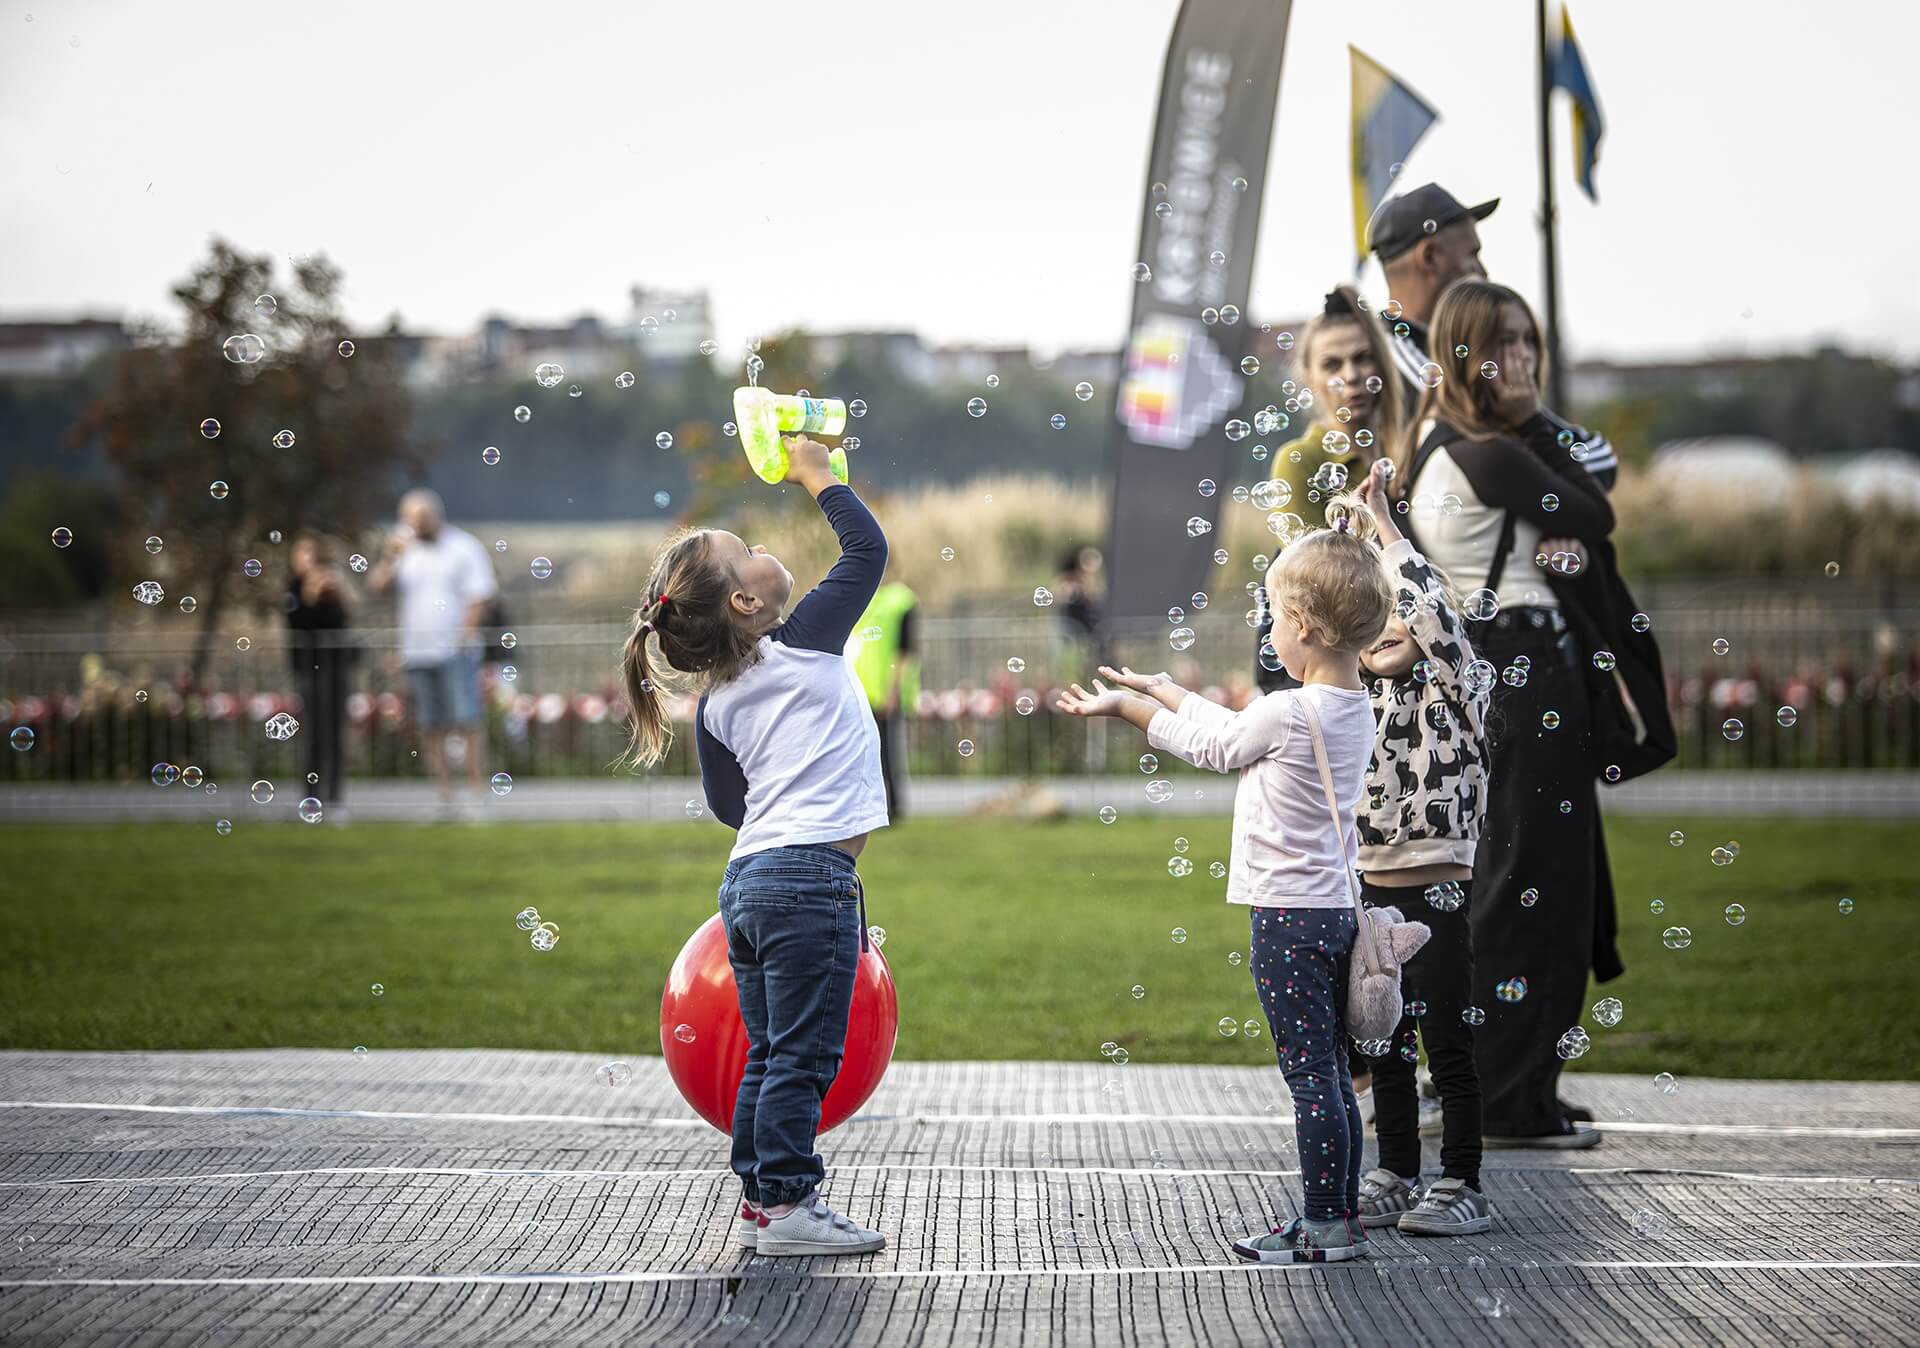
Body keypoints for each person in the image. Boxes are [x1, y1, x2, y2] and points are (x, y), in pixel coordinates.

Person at [1056, 527, 1394, 1264]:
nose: (1272, 633)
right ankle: (1338, 1215)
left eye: (1275, 618)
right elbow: (1241, 731)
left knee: (1309, 1077)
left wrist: (1131, 711)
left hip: (1287, 920)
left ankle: (1325, 1224)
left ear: (1302, 626)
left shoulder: (1286, 711)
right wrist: (1169, 690)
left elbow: (1216, 748)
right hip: (1335, 911)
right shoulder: (1350, 707)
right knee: (1334, 1075)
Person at [619, 434, 889, 1257]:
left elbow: (733, 806)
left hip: (750, 882)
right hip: (807, 880)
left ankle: (761, 1201)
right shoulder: (804, 641)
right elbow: (867, 550)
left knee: (772, 1051)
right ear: (745, 603)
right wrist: (819, 477)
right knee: (802, 1054)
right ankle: (787, 1209)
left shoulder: (716, 703)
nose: (762, 547)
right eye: (747, 551)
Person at [1388, 278, 1614, 1148]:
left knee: (1522, 882)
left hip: (1504, 671)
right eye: (1503, 343)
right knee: (1532, 890)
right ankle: (1515, 1100)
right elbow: (1597, 505)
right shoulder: (1488, 451)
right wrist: (1536, 421)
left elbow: (1586, 511)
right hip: (1522, 669)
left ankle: (1512, 1085)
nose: (1521, 359)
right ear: (1465, 354)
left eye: (1529, 342)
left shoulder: (1447, 442)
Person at [1341, 464, 1493, 1235]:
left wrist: (1385, 528)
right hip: (1370, 892)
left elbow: (1433, 616)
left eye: (1399, 611)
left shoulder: (1457, 688)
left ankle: (1463, 1181)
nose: (1393, 623)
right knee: (1386, 1039)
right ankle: (1397, 1170)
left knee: (1446, 1041)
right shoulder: (1353, 703)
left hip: (1437, 887)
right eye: (1376, 617)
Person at [1369, 182, 1619, 488]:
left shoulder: (1462, 356)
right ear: (1430, 257)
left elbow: (1599, 458)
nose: (1483, 271)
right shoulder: (1399, 361)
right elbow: (1508, 466)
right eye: (1472, 255)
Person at [1254, 284, 1409, 697]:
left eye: (1362, 358)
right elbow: (1314, 586)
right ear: (1310, 378)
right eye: (1333, 364)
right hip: (1332, 676)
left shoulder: (1409, 453)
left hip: (1401, 669)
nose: (1352, 374)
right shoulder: (1301, 459)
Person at [370, 489, 499, 812]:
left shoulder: (463, 547)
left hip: (457, 652)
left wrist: (462, 638)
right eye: (410, 519)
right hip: (416, 652)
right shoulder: (402, 550)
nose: (416, 525)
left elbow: (480, 596)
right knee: (431, 726)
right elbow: (377, 588)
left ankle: (477, 795)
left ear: (436, 515)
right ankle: (445, 797)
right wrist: (389, 557)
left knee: (467, 721)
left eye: (422, 518)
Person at [285, 535, 355, 812]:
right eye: (303, 554)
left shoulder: (334, 588)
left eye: (312, 554)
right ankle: (311, 795)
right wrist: (310, 597)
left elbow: (342, 623)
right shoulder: (293, 589)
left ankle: (335, 797)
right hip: (309, 668)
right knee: (314, 733)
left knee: (336, 732)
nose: (308, 561)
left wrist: (336, 594)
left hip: (335, 667)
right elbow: (298, 623)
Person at [850, 578, 919, 820]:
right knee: (866, 754)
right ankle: (872, 807)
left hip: (885, 691)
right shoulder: (866, 599)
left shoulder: (900, 602)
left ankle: (892, 807)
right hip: (862, 690)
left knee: (888, 753)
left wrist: (894, 690)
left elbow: (905, 650)